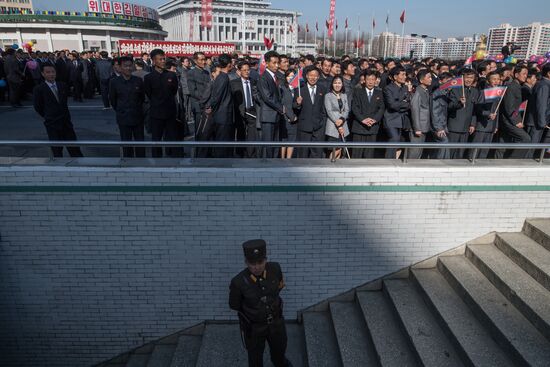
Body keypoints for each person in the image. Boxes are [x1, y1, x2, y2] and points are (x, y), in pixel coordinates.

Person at [229, 239, 293, 367]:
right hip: (254, 328)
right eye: (252, 263)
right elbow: (234, 305)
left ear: (266, 259)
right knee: (255, 360)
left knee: (279, 353)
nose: (257, 267)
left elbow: (279, 287)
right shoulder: (238, 282)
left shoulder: (275, 269)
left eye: (260, 262)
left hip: (276, 323)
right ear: (246, 262)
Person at [32, 63, 83, 158]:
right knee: (57, 149)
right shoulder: (39, 89)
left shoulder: (62, 85)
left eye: (53, 72)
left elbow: (64, 102)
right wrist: (48, 115)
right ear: (43, 74)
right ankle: (58, 167)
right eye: (48, 72)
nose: (51, 74)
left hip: (66, 121)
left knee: (74, 148)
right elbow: (38, 107)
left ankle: (80, 165)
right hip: (52, 123)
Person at [143, 49, 179, 158]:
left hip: (170, 112)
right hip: (156, 113)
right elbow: (149, 94)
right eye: (160, 59)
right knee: (156, 139)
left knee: (171, 138)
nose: (163, 61)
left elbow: (174, 91)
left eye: (164, 59)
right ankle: (157, 160)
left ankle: (172, 158)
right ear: (154, 61)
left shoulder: (171, 76)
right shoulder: (148, 78)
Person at [109, 56, 146, 158]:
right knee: (126, 143)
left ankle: (141, 163)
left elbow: (142, 98)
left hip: (137, 116)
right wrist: (121, 110)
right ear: (120, 67)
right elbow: (113, 100)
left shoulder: (138, 81)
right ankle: (128, 164)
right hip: (123, 117)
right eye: (125, 66)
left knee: (140, 144)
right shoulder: (114, 82)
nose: (128, 68)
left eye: (130, 66)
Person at [294, 66, 327, 158]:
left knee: (317, 153)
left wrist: (322, 122)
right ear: (307, 76)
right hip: (304, 126)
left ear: (318, 77)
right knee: (303, 153)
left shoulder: (322, 89)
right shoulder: (300, 89)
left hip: (318, 126)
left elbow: (324, 107)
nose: (313, 78)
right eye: (311, 75)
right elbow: (294, 107)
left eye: (315, 76)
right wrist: (298, 103)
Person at [351, 70, 385, 159]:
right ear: (364, 80)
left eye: (372, 79)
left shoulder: (379, 93)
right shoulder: (357, 91)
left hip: (372, 127)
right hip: (359, 126)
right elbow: (355, 108)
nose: (370, 82)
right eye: (368, 79)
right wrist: (363, 119)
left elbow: (381, 108)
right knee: (356, 154)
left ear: (376, 80)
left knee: (369, 154)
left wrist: (374, 120)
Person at [499, 65, 531, 158]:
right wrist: (516, 121)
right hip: (509, 120)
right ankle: (514, 160)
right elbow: (509, 107)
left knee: (503, 143)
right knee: (526, 139)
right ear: (516, 74)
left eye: (527, 74)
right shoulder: (512, 87)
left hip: (511, 119)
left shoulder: (518, 86)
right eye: (524, 74)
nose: (526, 76)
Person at [446, 69, 479, 159]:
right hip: (454, 127)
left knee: (460, 153)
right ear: (462, 78)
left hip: (466, 127)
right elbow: (449, 106)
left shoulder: (475, 91)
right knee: (450, 152)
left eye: (471, 78)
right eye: (467, 77)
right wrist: (459, 103)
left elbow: (474, 110)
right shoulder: (455, 90)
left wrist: (472, 123)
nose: (469, 80)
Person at [470, 71, 502, 160]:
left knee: (485, 150)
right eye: (494, 79)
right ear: (488, 81)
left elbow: (497, 111)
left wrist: (496, 125)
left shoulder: (498, 93)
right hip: (481, 125)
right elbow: (477, 108)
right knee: (475, 150)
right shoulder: (484, 92)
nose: (496, 81)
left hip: (491, 126)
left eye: (498, 79)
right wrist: (488, 114)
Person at [258, 51, 284, 158]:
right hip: (268, 116)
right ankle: (266, 167)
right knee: (268, 145)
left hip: (276, 115)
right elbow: (267, 97)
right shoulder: (263, 77)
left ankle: (274, 165)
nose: (276, 65)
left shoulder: (276, 77)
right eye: (274, 63)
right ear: (267, 63)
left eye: (278, 63)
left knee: (275, 144)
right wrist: (281, 108)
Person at [208, 54, 235, 158]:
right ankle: (221, 163)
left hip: (224, 114)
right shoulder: (222, 78)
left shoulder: (223, 77)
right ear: (228, 65)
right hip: (222, 115)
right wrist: (210, 108)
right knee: (222, 142)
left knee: (225, 141)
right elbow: (216, 97)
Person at [231, 61, 260, 158]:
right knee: (241, 133)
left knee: (252, 134)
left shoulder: (254, 81)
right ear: (239, 71)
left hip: (252, 111)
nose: (247, 72)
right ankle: (240, 153)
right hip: (241, 111)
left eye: (248, 70)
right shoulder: (234, 83)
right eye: (244, 70)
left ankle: (251, 153)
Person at [383, 66, 412, 159]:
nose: (405, 77)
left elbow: (408, 103)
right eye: (402, 75)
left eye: (405, 74)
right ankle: (387, 162)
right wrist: (403, 103)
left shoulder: (405, 88)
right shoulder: (388, 88)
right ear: (395, 77)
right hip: (391, 119)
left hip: (402, 120)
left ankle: (394, 161)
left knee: (399, 142)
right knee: (394, 139)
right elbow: (392, 105)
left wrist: (402, 104)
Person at [525, 63, 550, 158]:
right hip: (536, 122)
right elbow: (541, 105)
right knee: (530, 148)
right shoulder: (544, 85)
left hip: (539, 121)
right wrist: (542, 123)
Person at [324, 76, 350, 160]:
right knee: (335, 149)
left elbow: (346, 110)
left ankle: (337, 167)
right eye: (335, 83)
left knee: (341, 149)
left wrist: (342, 120)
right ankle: (330, 166)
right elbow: (329, 111)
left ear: (342, 84)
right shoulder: (328, 96)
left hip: (343, 125)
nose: (337, 85)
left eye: (339, 83)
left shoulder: (344, 95)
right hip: (333, 125)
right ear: (332, 84)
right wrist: (338, 123)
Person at [409, 69, 433, 159]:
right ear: (421, 80)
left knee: (419, 152)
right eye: (429, 77)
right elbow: (415, 110)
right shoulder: (417, 92)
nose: (431, 79)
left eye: (431, 77)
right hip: (419, 128)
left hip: (425, 126)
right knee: (414, 152)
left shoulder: (425, 91)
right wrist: (417, 128)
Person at [187, 52, 211, 142]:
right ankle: (199, 152)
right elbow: (193, 91)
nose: (204, 62)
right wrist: (204, 101)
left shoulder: (206, 72)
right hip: (199, 105)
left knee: (207, 131)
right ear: (195, 61)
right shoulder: (191, 73)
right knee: (200, 130)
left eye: (204, 59)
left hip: (208, 105)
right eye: (201, 60)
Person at [431, 72, 453, 159]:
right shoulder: (437, 93)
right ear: (440, 81)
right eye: (448, 81)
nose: (450, 83)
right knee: (444, 142)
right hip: (438, 126)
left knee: (443, 145)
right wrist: (439, 128)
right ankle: (440, 164)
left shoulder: (447, 93)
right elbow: (435, 112)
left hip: (443, 125)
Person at [280, 70, 298, 159]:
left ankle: (288, 159)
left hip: (295, 119)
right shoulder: (282, 88)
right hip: (285, 118)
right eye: (289, 76)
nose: (291, 78)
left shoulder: (297, 89)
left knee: (292, 140)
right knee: (284, 140)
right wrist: (290, 116)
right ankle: (282, 159)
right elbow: (284, 104)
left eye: (293, 76)